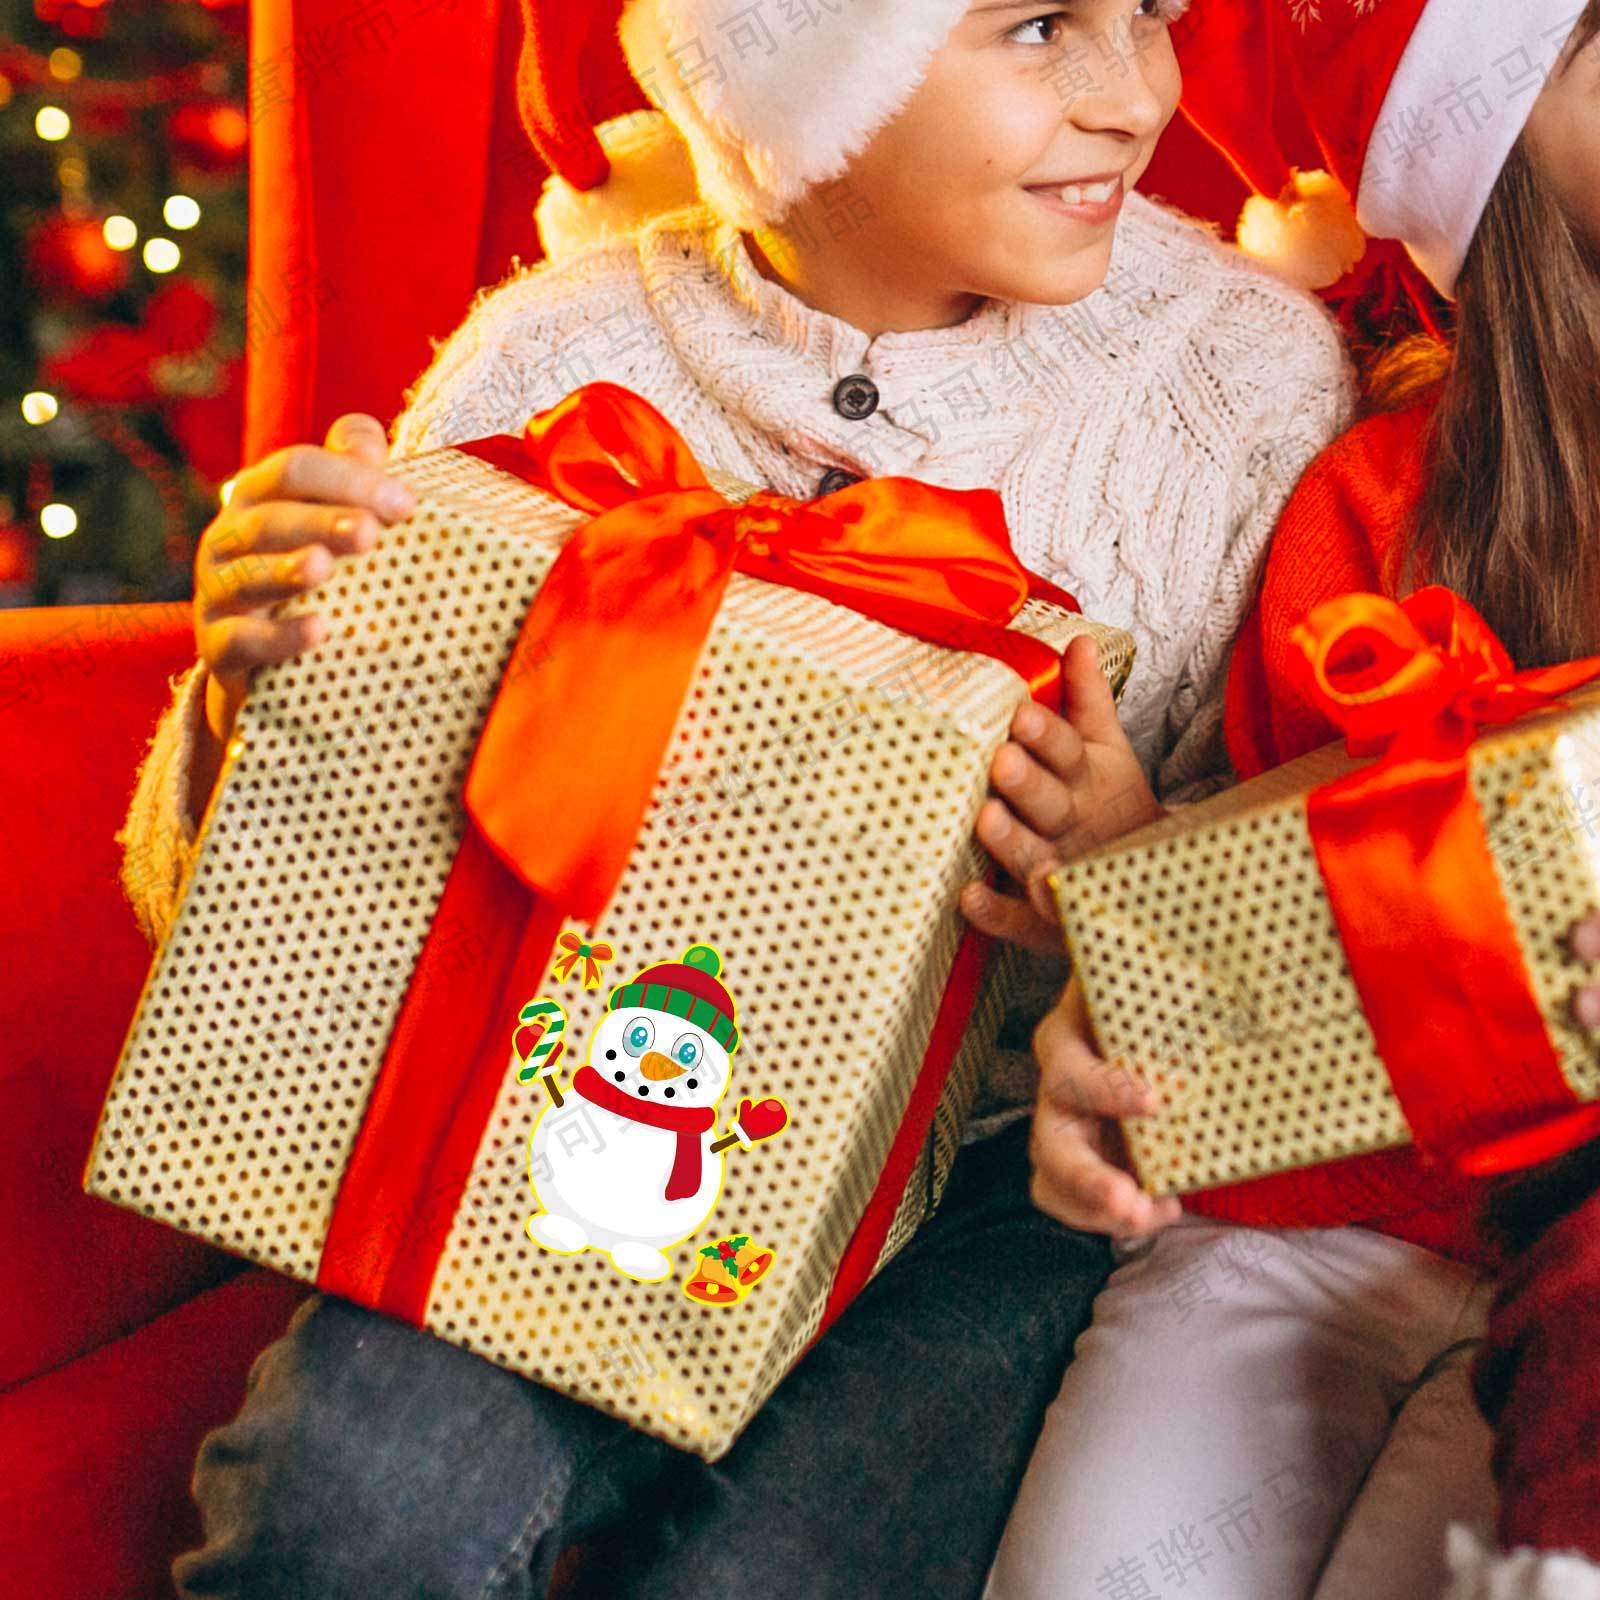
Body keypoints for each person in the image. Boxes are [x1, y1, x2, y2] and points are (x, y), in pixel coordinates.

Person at [113, 1, 1355, 1594]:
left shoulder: (1246, 383)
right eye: (1041, 26)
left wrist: (1127, 873)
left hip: (999, 1184)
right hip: (569, 1131)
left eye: (1148, 12)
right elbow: (261, 917)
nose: (1135, 95)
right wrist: (250, 695)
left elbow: (1315, 997)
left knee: (773, 1571)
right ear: (797, 69)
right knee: (350, 1501)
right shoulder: (557, 354)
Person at [986, 5, 1600, 1599]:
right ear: (1494, 162)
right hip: (1295, 1222)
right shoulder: (1374, 496)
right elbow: (1239, 932)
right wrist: (1123, 929)